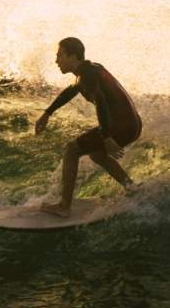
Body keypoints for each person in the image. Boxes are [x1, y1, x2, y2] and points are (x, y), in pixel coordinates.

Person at [35, 37, 142, 216]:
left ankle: (64, 206)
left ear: (73, 56)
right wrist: (47, 113)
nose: (56, 61)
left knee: (71, 149)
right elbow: (72, 89)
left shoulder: (87, 76)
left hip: (121, 126)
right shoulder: (89, 70)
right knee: (96, 154)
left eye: (60, 55)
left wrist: (106, 136)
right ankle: (131, 187)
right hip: (132, 124)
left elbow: (101, 102)